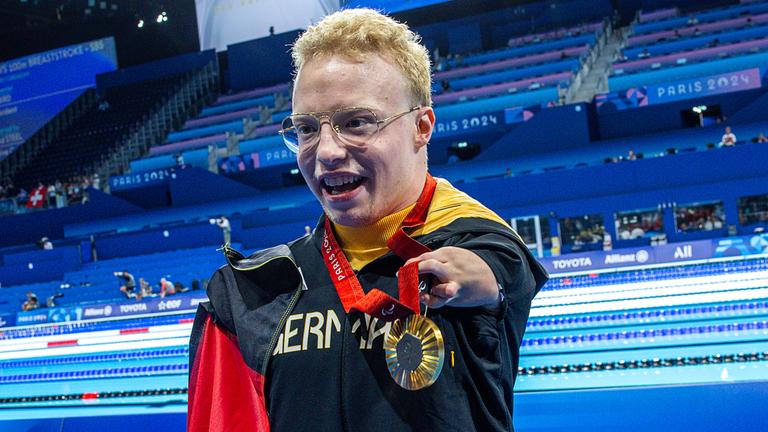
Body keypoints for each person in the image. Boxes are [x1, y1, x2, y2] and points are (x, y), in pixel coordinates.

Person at [187, 9, 548, 432]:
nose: (325, 152)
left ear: (422, 126)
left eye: (355, 123)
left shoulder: (474, 248)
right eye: (306, 129)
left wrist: (487, 282)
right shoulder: (254, 294)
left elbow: (501, 272)